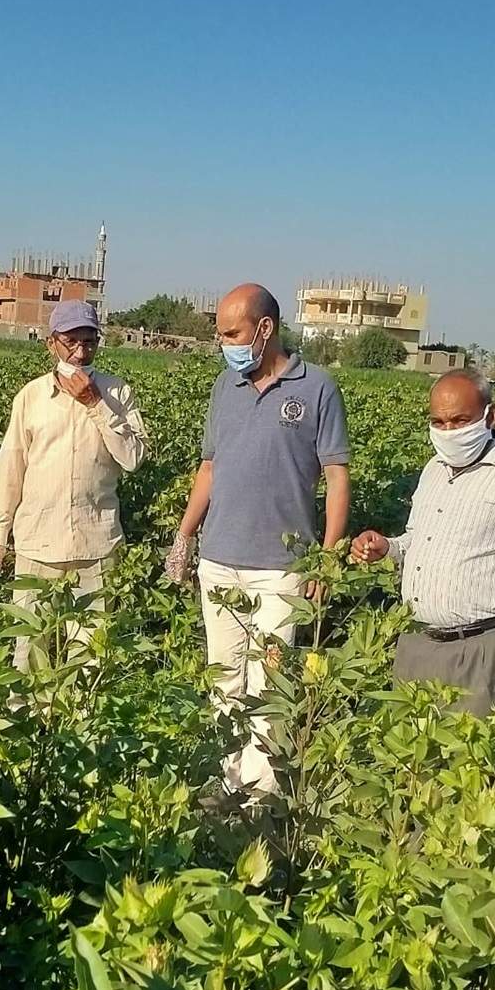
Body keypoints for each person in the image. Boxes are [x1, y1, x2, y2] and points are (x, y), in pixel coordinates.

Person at [165, 283, 351, 802]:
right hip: (219, 561)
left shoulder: (317, 388)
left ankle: (259, 799)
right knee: (223, 682)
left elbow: (337, 475)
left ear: (264, 329)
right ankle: (224, 787)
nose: (225, 344)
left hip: (282, 569)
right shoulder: (226, 386)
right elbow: (209, 466)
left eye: (232, 333)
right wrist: (184, 537)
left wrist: (326, 561)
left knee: (269, 688)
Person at [351, 369, 495, 715]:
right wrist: (389, 548)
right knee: (410, 764)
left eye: (460, 420)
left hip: (483, 649)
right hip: (418, 644)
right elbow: (421, 540)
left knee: (471, 763)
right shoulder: (434, 470)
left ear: (491, 415)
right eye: (438, 422)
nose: (448, 431)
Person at [0, 300, 147, 670]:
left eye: (89, 342)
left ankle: (82, 724)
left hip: (96, 545)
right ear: (51, 343)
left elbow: (133, 458)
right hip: (37, 545)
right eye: (71, 342)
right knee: (29, 652)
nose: (80, 352)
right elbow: (11, 467)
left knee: (90, 655)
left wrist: (96, 404)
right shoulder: (31, 397)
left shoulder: (117, 394)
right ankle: (27, 720)